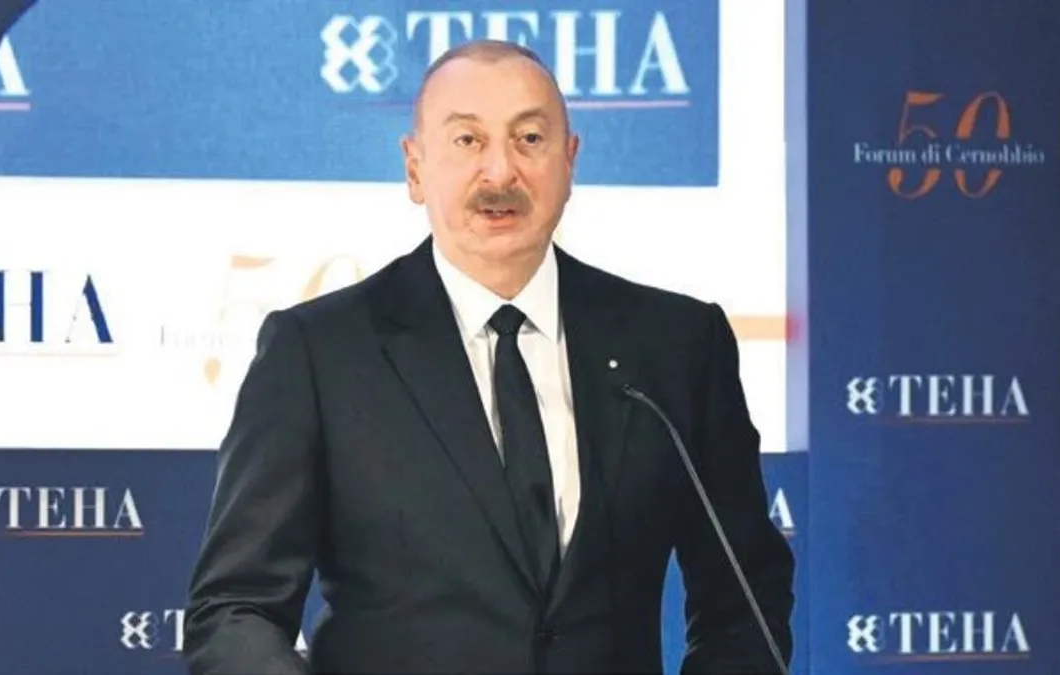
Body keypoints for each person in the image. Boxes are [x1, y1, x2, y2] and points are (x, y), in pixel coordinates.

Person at [182, 39, 794, 674]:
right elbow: (234, 611)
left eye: (529, 139)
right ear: (415, 168)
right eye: (467, 141)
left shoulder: (676, 345)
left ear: (569, 160)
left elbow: (746, 599)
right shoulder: (319, 352)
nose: (500, 174)